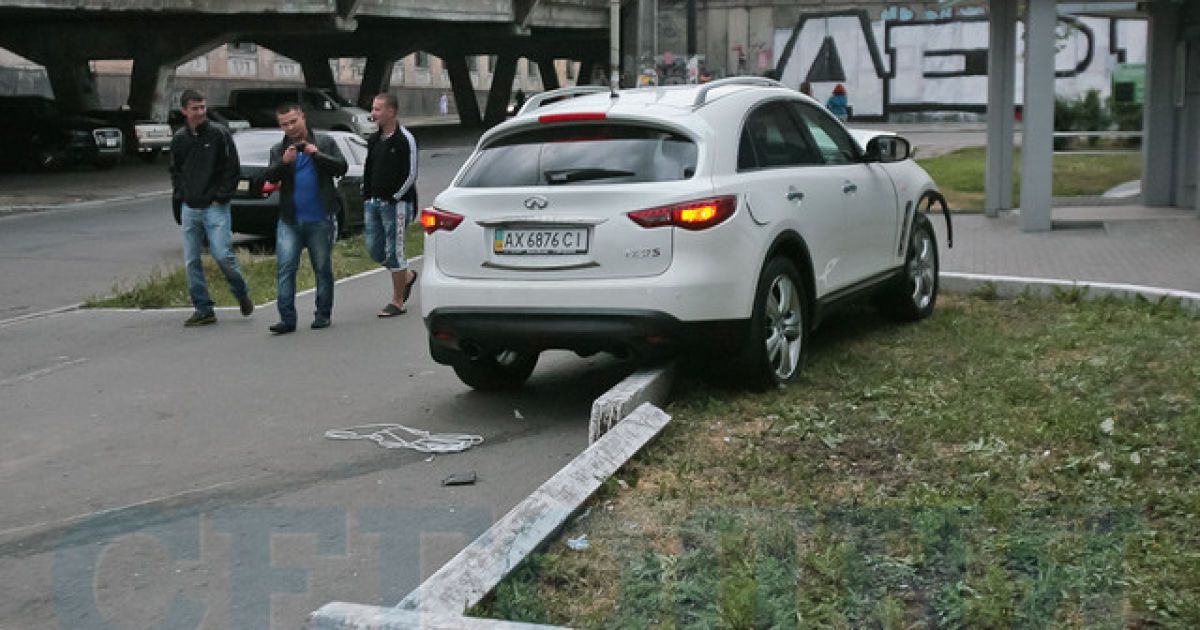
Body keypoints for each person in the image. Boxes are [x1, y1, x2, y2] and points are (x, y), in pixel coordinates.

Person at [168, 89, 253, 327]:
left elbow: (232, 168)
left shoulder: (219, 134)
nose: (200, 112)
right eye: (195, 108)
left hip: (215, 206)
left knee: (222, 254)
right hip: (190, 206)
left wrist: (220, 197)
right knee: (191, 260)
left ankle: (241, 292)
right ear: (184, 110)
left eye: (203, 107)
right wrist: (181, 195)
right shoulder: (180, 139)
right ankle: (203, 308)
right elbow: (175, 170)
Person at [261, 103, 348, 334]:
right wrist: (284, 162)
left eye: (293, 121)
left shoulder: (325, 142)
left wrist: (315, 154)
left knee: (322, 267)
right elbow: (269, 176)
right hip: (290, 220)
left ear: (303, 117)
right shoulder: (278, 149)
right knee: (286, 267)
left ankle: (322, 314)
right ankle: (287, 319)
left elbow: (341, 167)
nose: (290, 128)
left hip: (320, 218)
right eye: (284, 124)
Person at [362, 93, 419, 318]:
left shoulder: (405, 138)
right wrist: (366, 195)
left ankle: (397, 301)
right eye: (373, 109)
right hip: (372, 203)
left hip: (397, 205)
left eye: (377, 109)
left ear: (391, 111)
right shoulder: (374, 140)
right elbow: (369, 169)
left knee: (395, 251)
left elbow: (411, 173)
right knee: (375, 250)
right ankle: (406, 277)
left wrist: (395, 197)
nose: (373, 113)